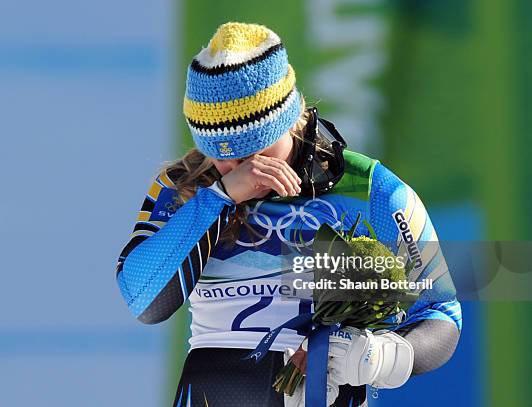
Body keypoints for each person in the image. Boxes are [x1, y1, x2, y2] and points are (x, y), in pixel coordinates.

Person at [116, 22, 461, 407]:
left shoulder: (371, 189)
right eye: (219, 155)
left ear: (289, 121)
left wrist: (381, 355)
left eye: (253, 153)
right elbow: (146, 303)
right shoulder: (185, 187)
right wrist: (219, 197)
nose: (237, 169)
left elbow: (441, 313)